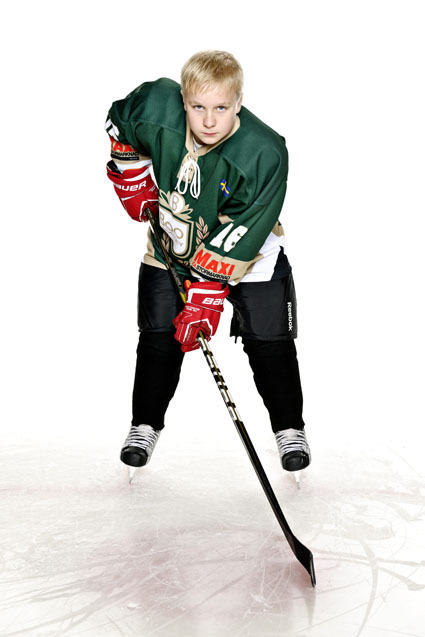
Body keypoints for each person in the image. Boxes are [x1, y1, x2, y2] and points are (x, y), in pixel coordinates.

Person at [106, 50, 311, 473]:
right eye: (198, 107)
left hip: (250, 252)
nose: (209, 120)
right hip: (175, 238)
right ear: (183, 100)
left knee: (269, 342)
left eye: (221, 107)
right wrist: (130, 172)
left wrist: (206, 292)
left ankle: (289, 428)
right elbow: (120, 121)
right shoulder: (155, 106)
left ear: (239, 102)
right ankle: (144, 425)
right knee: (158, 337)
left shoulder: (265, 152)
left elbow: (246, 229)